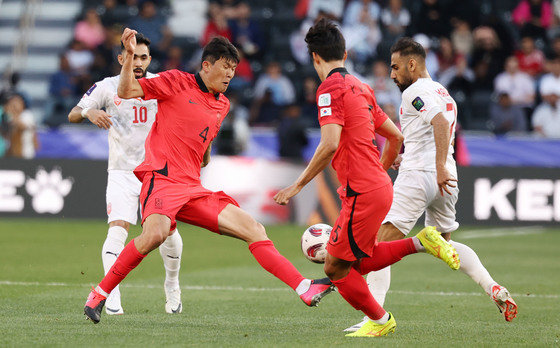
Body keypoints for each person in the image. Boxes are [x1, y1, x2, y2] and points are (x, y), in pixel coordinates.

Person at [83, 29, 334, 324]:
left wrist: (203, 152)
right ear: (206, 65)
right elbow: (126, 92)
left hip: (192, 186)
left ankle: (304, 287)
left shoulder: (222, 104)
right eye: (225, 67)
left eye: (233, 69)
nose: (230, 75)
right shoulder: (176, 81)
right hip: (161, 179)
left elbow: (204, 147)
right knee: (155, 234)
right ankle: (99, 293)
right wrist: (128, 60)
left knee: (254, 229)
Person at [274, 19, 459, 338]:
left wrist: (298, 184)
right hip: (377, 186)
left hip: (362, 190)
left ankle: (381, 317)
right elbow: (396, 137)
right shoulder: (362, 87)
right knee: (357, 261)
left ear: (315, 57)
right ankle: (421, 244)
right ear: (344, 53)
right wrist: (379, 172)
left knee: (334, 267)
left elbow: (330, 143)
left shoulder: (328, 89)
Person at [345, 37, 518, 333]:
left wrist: (433, 166)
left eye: (396, 67)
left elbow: (438, 123)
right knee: (443, 244)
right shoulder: (442, 91)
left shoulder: (414, 91)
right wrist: (418, 160)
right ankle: (493, 288)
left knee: (377, 244)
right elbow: (430, 131)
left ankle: (374, 319)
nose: (392, 74)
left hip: (424, 175)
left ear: (412, 64)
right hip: (446, 177)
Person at [69, 33, 184, 316]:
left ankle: (172, 284)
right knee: (118, 229)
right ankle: (112, 294)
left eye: (144, 57)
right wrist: (90, 113)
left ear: (150, 60)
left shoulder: (160, 83)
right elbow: (74, 113)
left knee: (167, 232)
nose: (139, 63)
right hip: (121, 170)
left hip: (157, 172)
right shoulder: (107, 87)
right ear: (122, 58)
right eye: (133, 56)